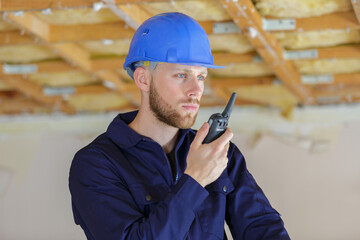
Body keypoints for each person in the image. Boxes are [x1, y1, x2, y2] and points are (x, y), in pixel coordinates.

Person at [69, 12, 290, 240]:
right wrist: (195, 179)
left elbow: (263, 226)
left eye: (201, 77)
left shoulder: (216, 152)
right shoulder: (96, 164)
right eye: (182, 75)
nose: (196, 90)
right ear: (143, 79)